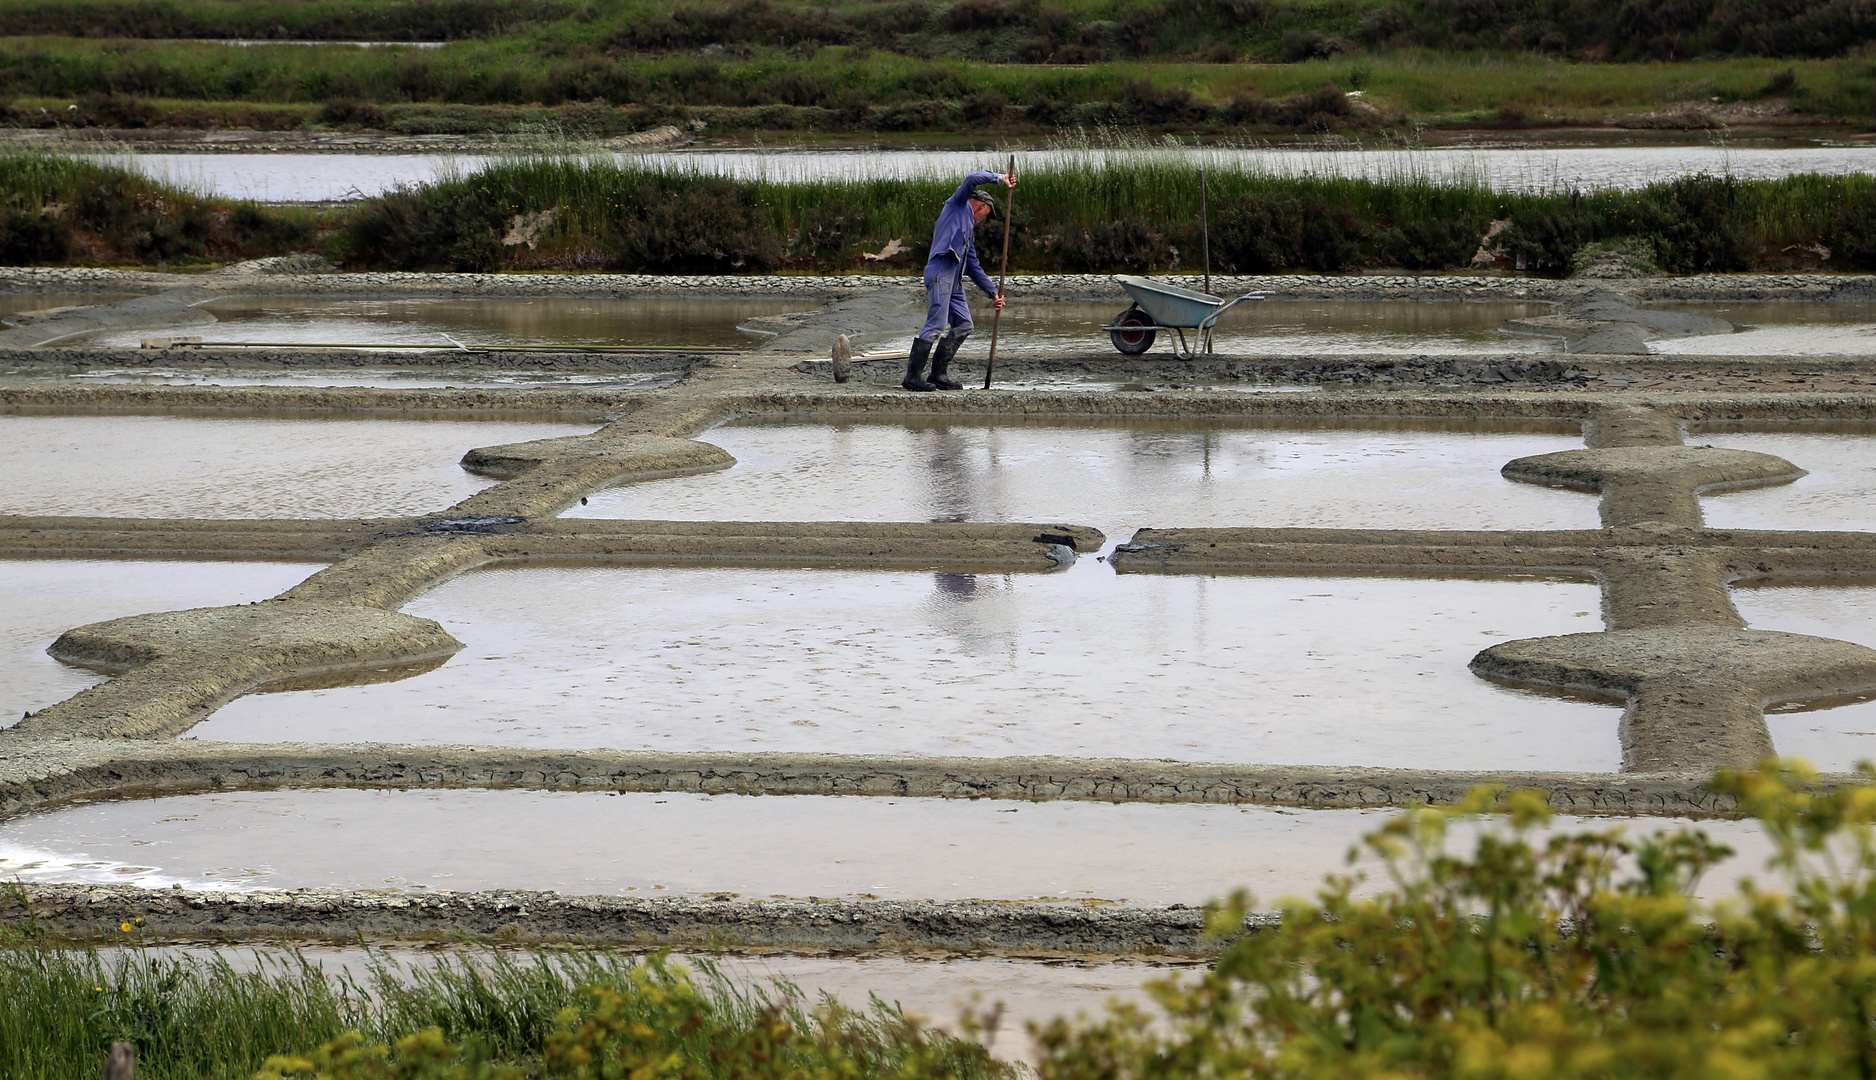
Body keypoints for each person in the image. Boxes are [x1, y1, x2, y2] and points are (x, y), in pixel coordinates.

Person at [903, 169, 1017, 392]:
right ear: (981, 205)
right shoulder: (958, 205)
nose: (985, 220)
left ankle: (938, 375)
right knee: (936, 324)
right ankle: (912, 377)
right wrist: (1000, 179)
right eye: (987, 214)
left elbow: (973, 265)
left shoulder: (969, 230)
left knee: (964, 324)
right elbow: (972, 179)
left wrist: (992, 293)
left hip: (954, 280)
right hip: (941, 271)